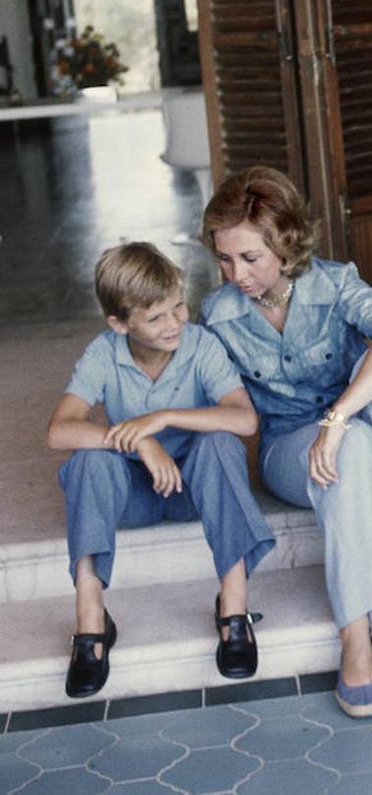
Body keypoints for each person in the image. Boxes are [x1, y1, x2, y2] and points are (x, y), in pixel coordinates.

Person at [198, 166, 372, 719]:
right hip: (287, 451)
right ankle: (357, 637)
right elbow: (223, 405)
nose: (237, 274)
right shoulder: (219, 314)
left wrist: (338, 417)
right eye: (225, 259)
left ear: (286, 243)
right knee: (352, 451)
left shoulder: (335, 281)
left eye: (250, 258)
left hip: (348, 430)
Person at [47, 242, 276, 699]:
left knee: (218, 443)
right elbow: (59, 431)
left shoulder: (200, 344)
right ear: (119, 324)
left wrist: (164, 418)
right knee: (89, 459)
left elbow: (244, 419)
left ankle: (233, 611)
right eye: (155, 319)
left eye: (178, 307)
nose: (174, 323)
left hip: (195, 489)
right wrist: (142, 441)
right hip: (133, 497)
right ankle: (91, 625)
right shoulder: (103, 352)